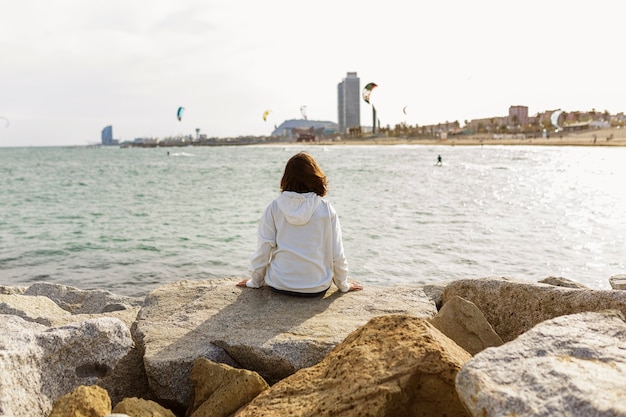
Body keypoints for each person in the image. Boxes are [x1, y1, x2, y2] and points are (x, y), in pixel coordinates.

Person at [237, 151, 363, 296]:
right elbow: (337, 253)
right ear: (315, 176)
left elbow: (264, 249)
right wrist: (343, 285)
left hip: (279, 284)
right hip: (316, 287)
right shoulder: (325, 208)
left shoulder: (274, 207)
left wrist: (255, 281)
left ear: (286, 178)